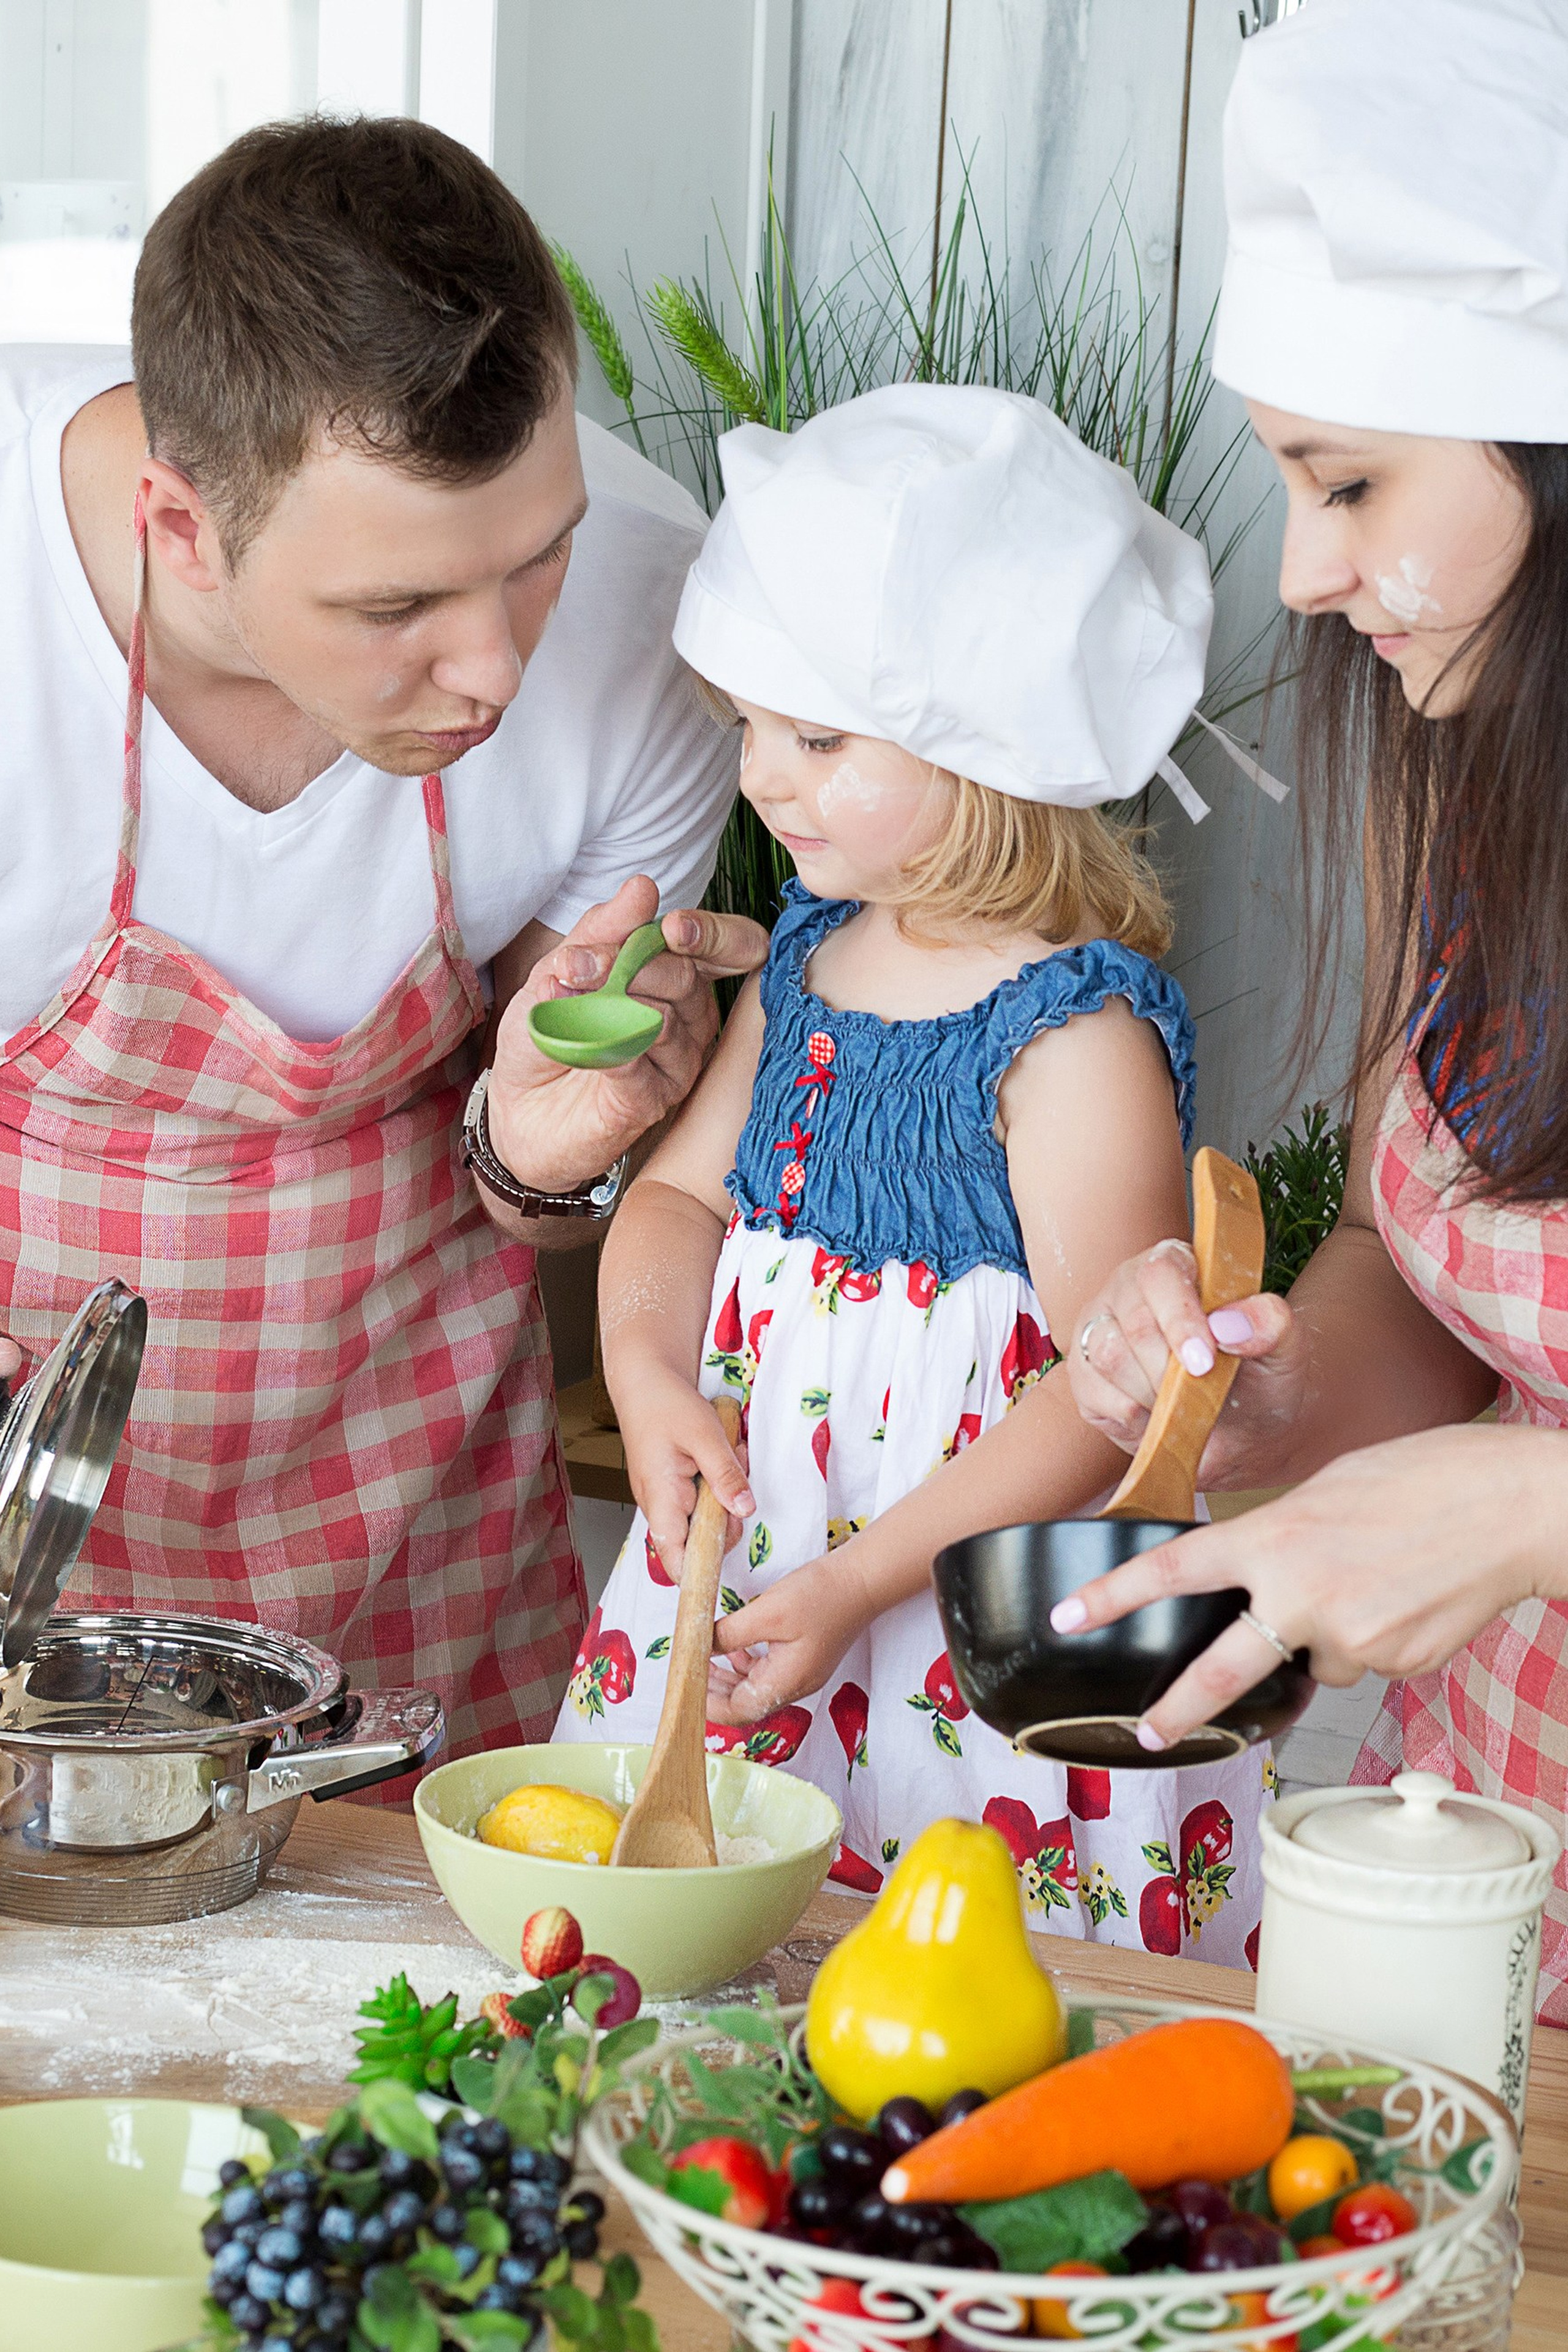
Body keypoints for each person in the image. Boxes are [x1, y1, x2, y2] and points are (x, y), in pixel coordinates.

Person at [0, 116, 766, 1760]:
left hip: (408, 1481)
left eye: (532, 560)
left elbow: (523, 1177)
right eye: (393, 611)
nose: (492, 669)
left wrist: (555, 1143)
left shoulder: (654, 620)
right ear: (179, 525)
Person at [554, 386, 1270, 1961]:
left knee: (966, 1989)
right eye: (750, 724)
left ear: (993, 746)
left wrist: (862, 1584)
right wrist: (646, 1377)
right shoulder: (810, 959)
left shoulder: (1068, 1039)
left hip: (956, 1636)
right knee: (716, 1957)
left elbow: (1115, 1399)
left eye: (816, 736)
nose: (759, 774)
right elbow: (677, 1199)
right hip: (761, 1580)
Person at [1057, 0, 1568, 2016]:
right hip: (1483, 1879)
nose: (1302, 571)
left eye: (1349, 483)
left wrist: (1536, 1507)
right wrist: (1251, 1394)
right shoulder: (1491, 795)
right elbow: (1420, 1280)